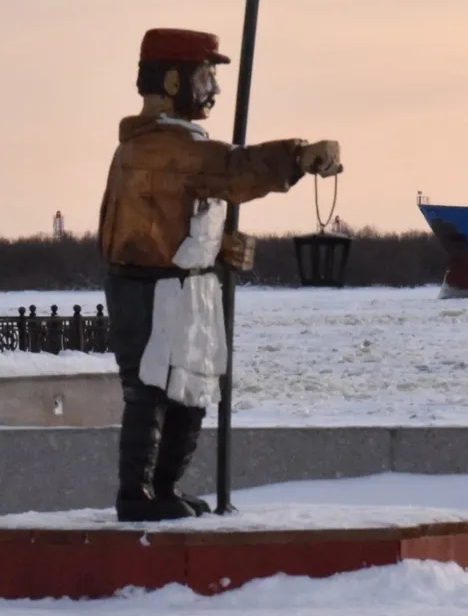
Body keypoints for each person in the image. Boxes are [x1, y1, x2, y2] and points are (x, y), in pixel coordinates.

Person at [97, 28, 341, 522]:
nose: (214, 89)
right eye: (205, 76)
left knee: (194, 390)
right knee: (152, 392)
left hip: (188, 288)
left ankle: (165, 487)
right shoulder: (156, 148)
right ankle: (136, 492)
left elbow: (181, 213)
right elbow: (231, 170)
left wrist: (219, 250)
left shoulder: (181, 145)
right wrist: (296, 157)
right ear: (170, 81)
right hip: (154, 292)